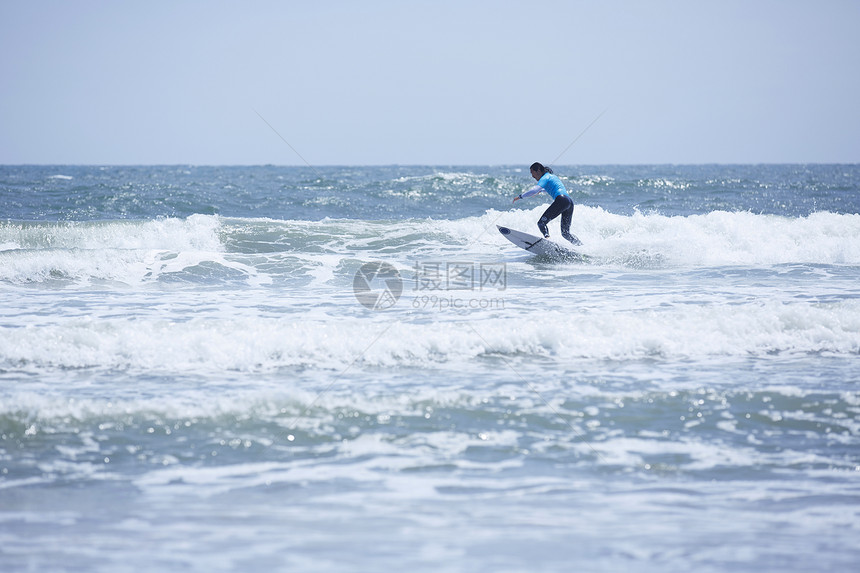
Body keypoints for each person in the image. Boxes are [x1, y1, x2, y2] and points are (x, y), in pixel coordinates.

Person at [512, 162, 582, 245]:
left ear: (538, 170)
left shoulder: (544, 178)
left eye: (532, 172)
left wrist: (520, 197)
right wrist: (541, 191)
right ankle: (581, 246)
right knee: (565, 233)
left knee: (541, 223)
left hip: (561, 200)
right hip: (569, 202)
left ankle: (547, 239)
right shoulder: (552, 176)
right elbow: (552, 188)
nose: (532, 176)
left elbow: (534, 190)